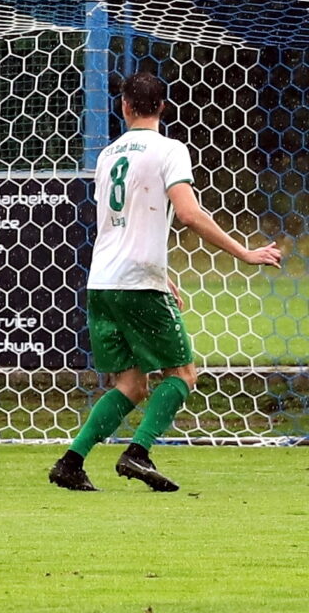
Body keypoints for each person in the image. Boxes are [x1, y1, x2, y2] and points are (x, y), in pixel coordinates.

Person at [49, 72, 281, 492]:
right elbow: (189, 214)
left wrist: (163, 275)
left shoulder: (107, 156)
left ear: (124, 106)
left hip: (103, 282)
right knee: (183, 373)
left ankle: (70, 462)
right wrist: (245, 253)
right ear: (163, 106)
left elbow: (116, 225)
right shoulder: (169, 150)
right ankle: (138, 453)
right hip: (138, 282)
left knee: (131, 384)